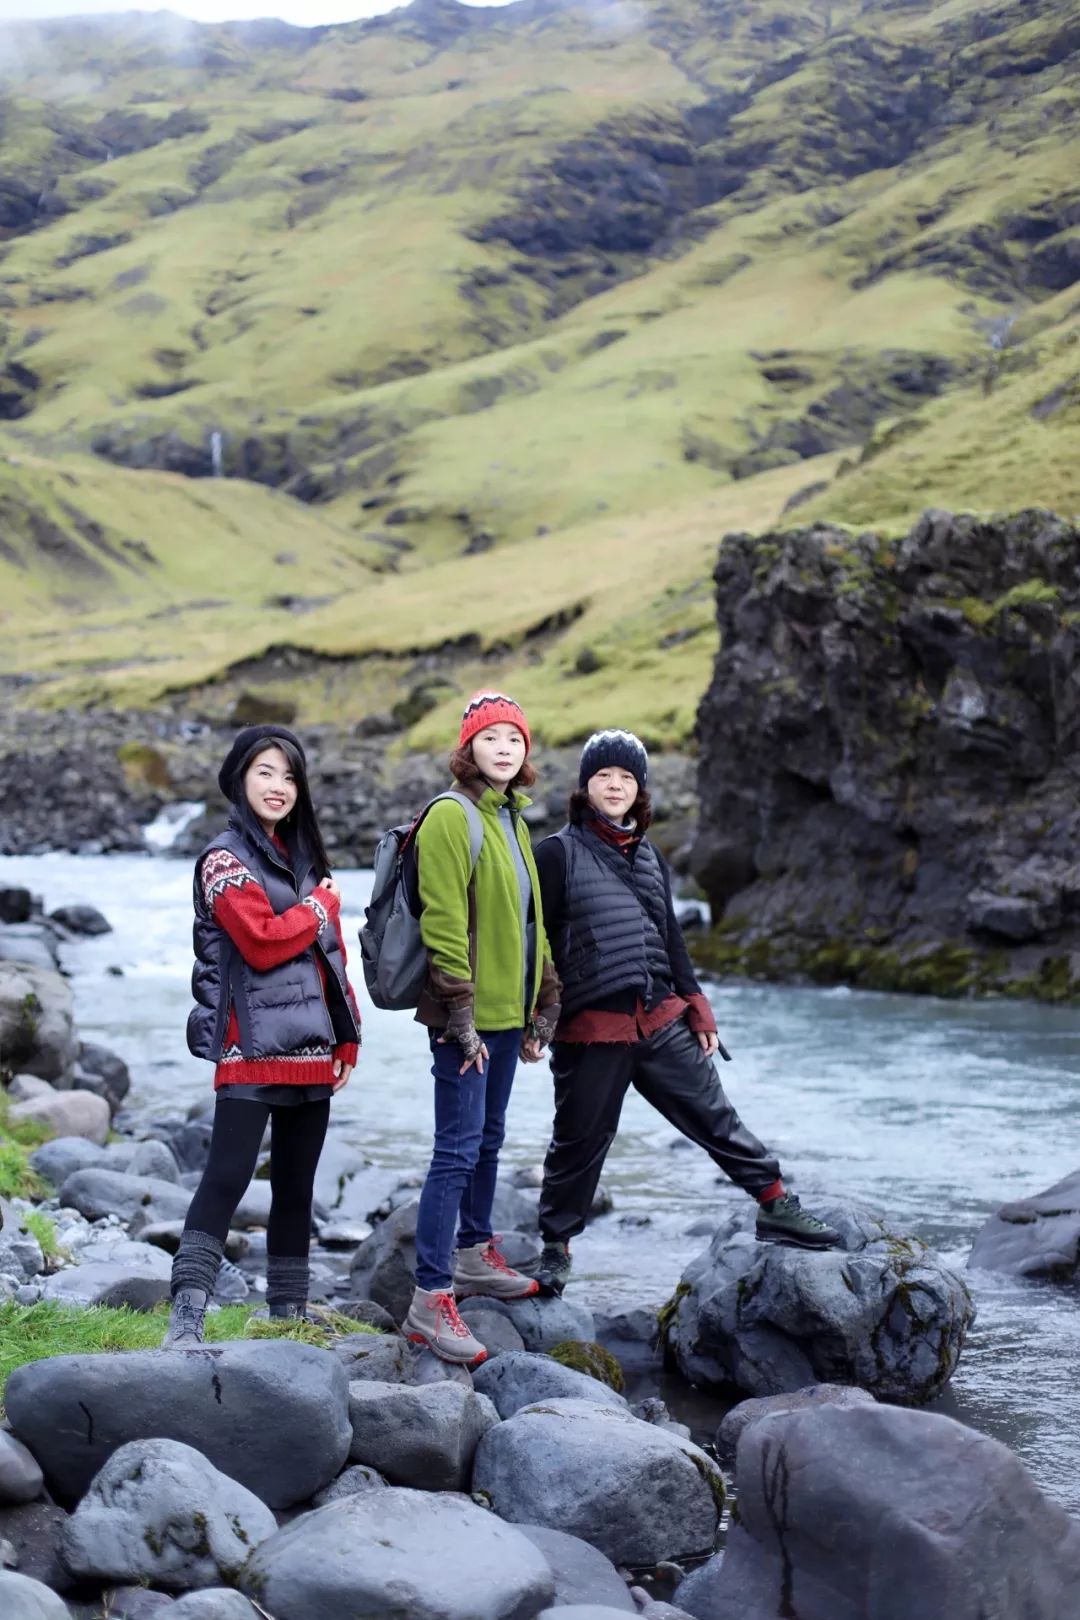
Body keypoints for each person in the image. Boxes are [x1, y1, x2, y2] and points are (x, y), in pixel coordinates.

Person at [532, 728, 839, 1298]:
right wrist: (537, 1018)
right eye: (604, 775)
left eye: (627, 777)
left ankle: (775, 1204)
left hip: (659, 1018)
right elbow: (535, 944)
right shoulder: (555, 854)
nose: (615, 785)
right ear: (585, 785)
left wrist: (698, 1007)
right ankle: (556, 1247)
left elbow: (670, 935)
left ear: (640, 788)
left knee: (715, 1116)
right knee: (578, 1142)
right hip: (591, 1029)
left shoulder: (650, 855)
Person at [163, 724, 361, 1347]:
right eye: (265, 773)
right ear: (240, 780)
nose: (279, 786)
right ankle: (185, 1320)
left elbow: (332, 959)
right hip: (248, 1046)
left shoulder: (306, 864)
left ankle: (287, 1315)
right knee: (225, 1179)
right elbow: (262, 943)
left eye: (289, 776)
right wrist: (319, 907)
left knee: (296, 1189)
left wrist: (348, 1036)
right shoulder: (222, 860)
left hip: (313, 1048)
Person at [404, 692, 561, 1365]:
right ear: (468, 748)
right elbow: (442, 921)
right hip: (464, 1019)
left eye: (515, 739)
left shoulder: (514, 820)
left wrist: (544, 1003)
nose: (504, 748)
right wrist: (460, 1018)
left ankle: (473, 1253)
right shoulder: (452, 815)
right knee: (456, 1151)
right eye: (491, 737)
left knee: (489, 1140)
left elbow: (532, 923)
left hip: (507, 1015)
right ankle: (429, 1297)